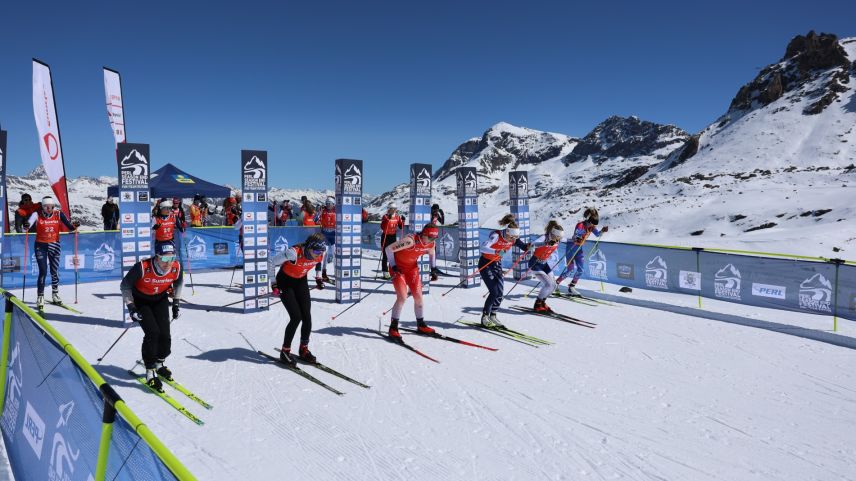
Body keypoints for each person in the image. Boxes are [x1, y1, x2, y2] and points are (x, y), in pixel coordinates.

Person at [120, 242, 183, 391]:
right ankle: (150, 371)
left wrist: (176, 304)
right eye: (164, 259)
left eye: (172, 258)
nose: (168, 263)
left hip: (159, 299)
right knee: (152, 333)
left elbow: (178, 283)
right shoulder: (142, 267)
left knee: (165, 336)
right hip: (141, 300)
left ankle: (160, 363)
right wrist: (131, 308)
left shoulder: (176, 267)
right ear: (157, 257)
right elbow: (125, 286)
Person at [270, 233, 327, 364]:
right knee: (296, 317)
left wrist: (318, 278)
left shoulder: (320, 253)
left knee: (307, 316)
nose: (319, 254)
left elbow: (319, 263)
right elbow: (271, 262)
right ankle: (285, 352)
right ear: (309, 247)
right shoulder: (293, 253)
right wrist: (273, 283)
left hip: (301, 281)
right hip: (285, 282)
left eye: (321, 251)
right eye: (317, 251)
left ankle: (303, 349)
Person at [385, 224, 439, 340]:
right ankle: (393, 327)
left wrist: (433, 269)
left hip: (412, 269)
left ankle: (421, 325)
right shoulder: (410, 241)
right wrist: (393, 266)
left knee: (419, 297)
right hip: (398, 268)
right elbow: (388, 249)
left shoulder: (430, 243)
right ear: (424, 234)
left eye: (434, 238)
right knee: (402, 297)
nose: (432, 240)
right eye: (430, 237)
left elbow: (432, 253)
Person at [25, 197, 78, 311]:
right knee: (43, 271)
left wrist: (75, 226)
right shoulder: (36, 214)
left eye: (52, 207)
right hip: (41, 246)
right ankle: (40, 296)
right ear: (43, 207)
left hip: (55, 245)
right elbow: (27, 226)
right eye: (47, 207)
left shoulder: (58, 214)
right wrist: (26, 226)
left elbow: (70, 227)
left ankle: (55, 294)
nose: (50, 209)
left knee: (54, 271)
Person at [478, 214, 530, 328]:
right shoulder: (496, 236)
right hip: (485, 263)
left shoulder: (513, 238)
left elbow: (524, 246)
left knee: (500, 292)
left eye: (515, 238)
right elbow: (483, 248)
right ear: (507, 232)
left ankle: (493, 315)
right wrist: (496, 252)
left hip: (496, 264)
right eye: (512, 237)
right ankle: (485, 316)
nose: (513, 240)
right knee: (494, 292)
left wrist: (528, 247)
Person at [556, 207, 609, 297]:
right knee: (570, 269)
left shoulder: (591, 227)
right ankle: (556, 283)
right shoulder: (580, 225)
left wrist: (602, 231)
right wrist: (577, 238)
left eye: (595, 226)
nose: (593, 227)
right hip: (572, 247)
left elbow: (597, 234)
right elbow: (575, 237)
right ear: (589, 221)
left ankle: (571, 287)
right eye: (593, 224)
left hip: (579, 248)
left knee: (581, 269)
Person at [528, 221, 565, 312]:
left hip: (544, 264)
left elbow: (569, 240)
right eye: (558, 237)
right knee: (548, 284)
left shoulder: (557, 240)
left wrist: (576, 240)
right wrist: (545, 244)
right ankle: (537, 304)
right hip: (535, 264)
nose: (558, 239)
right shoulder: (544, 238)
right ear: (553, 234)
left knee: (554, 285)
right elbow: (532, 245)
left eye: (560, 237)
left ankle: (543, 302)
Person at [314, 197, 336, 286]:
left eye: (330, 203)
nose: (328, 205)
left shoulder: (337, 211)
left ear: (333, 204)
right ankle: (322, 273)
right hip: (325, 234)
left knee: (335, 254)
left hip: (334, 234)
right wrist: (318, 212)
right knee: (323, 254)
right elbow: (315, 220)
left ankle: (337, 273)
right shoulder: (323, 211)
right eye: (327, 203)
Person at [379, 203, 405, 279]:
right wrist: (388, 220)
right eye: (392, 209)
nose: (394, 210)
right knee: (385, 254)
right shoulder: (385, 216)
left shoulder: (397, 217)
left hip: (393, 236)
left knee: (393, 254)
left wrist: (403, 221)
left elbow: (400, 226)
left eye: (395, 209)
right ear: (389, 209)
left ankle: (392, 270)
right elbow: (383, 227)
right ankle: (385, 272)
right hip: (385, 236)